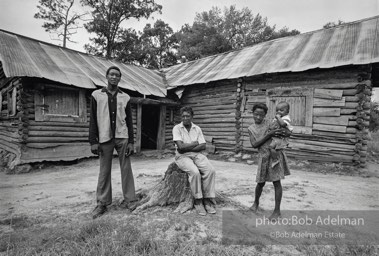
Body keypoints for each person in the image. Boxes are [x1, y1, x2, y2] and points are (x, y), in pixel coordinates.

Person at [89, 66, 137, 219]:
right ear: (107, 76)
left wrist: (131, 142)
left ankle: (130, 200)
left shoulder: (125, 97)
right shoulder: (96, 95)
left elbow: (129, 120)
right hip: (104, 137)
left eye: (117, 75)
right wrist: (93, 141)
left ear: (120, 78)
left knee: (126, 169)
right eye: (112, 74)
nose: (114, 77)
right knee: (104, 170)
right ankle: (102, 203)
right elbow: (93, 120)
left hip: (122, 137)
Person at [248, 103, 291, 220]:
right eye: (256, 114)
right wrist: (269, 135)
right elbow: (254, 144)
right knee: (260, 183)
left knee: (277, 183)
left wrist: (286, 133)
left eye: (261, 115)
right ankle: (255, 203)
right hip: (263, 157)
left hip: (274, 156)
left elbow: (286, 132)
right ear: (253, 114)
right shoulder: (251, 128)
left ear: (265, 115)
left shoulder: (271, 123)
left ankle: (277, 212)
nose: (258, 117)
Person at [172, 106, 216, 216]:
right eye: (183, 116)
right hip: (182, 157)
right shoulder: (177, 128)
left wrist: (187, 147)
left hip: (197, 154)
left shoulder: (197, 128)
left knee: (210, 170)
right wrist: (194, 143)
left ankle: (207, 198)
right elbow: (180, 148)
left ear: (192, 116)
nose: (185, 118)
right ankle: (198, 201)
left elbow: (203, 146)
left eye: (187, 116)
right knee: (195, 172)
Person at [267, 101, 293, 167]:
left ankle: (276, 159)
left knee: (271, 147)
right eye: (277, 110)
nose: (278, 112)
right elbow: (272, 126)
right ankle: (275, 159)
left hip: (281, 138)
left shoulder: (286, 118)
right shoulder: (277, 119)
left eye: (281, 110)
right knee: (270, 147)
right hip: (276, 137)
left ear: (287, 112)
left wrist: (278, 118)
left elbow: (283, 124)